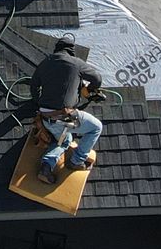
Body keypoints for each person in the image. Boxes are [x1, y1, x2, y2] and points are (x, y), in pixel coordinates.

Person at [29, 37, 104, 184]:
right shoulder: (76, 63)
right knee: (96, 127)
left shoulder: (46, 63)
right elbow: (97, 79)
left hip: (46, 118)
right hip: (64, 118)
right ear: (71, 50)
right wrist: (88, 90)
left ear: (57, 49)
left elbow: (33, 87)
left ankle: (46, 168)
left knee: (64, 141)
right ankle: (77, 161)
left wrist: (40, 102)